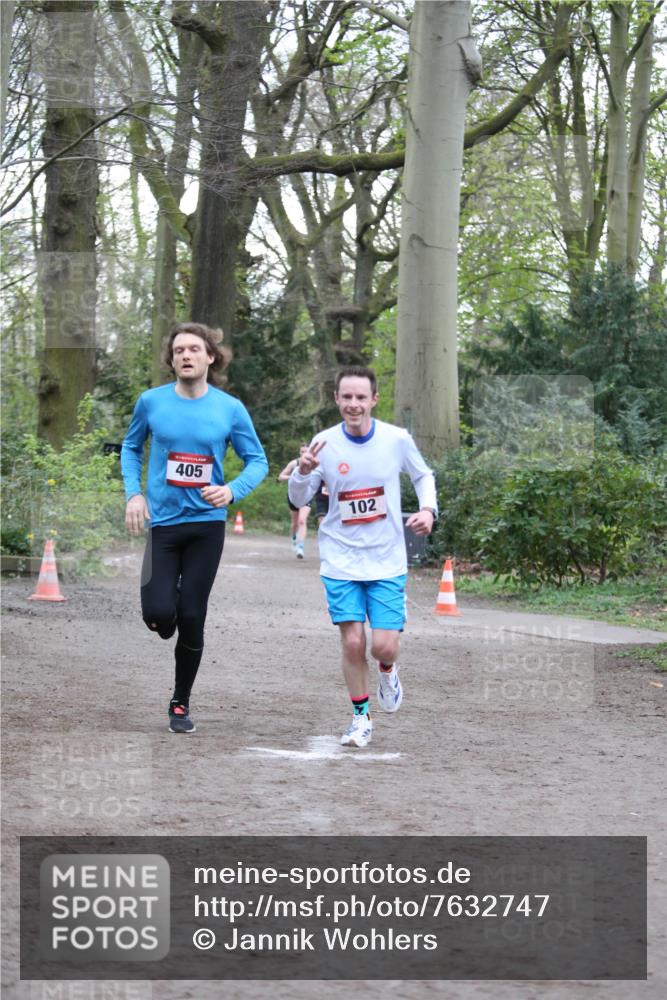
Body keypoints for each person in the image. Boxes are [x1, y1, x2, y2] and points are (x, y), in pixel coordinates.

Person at [121, 321, 268, 734]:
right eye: (179, 350)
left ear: (210, 358)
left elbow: (258, 460)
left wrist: (232, 490)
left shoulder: (229, 408)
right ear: (171, 359)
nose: (185, 355)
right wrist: (135, 494)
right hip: (163, 525)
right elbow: (131, 448)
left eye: (193, 349)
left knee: (192, 614)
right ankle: (164, 616)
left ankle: (180, 702)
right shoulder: (151, 402)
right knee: (157, 615)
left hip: (206, 526)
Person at [288, 366, 437, 748]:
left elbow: (423, 475)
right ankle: (360, 718)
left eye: (360, 397)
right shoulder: (323, 443)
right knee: (353, 643)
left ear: (373, 400)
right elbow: (300, 498)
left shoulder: (396, 439)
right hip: (341, 558)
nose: (353, 404)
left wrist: (428, 510)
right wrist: (303, 473)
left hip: (386, 558)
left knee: (382, 646)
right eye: (346, 397)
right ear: (336, 399)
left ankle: (388, 669)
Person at [278, 446, 312, 559]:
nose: (304, 453)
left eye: (306, 451)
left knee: (302, 521)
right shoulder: (294, 463)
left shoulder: (314, 464)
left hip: (306, 496)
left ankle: (300, 547)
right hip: (293, 496)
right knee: (295, 523)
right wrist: (294, 477)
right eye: (302, 451)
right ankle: (293, 538)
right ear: (300, 452)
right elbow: (280, 477)